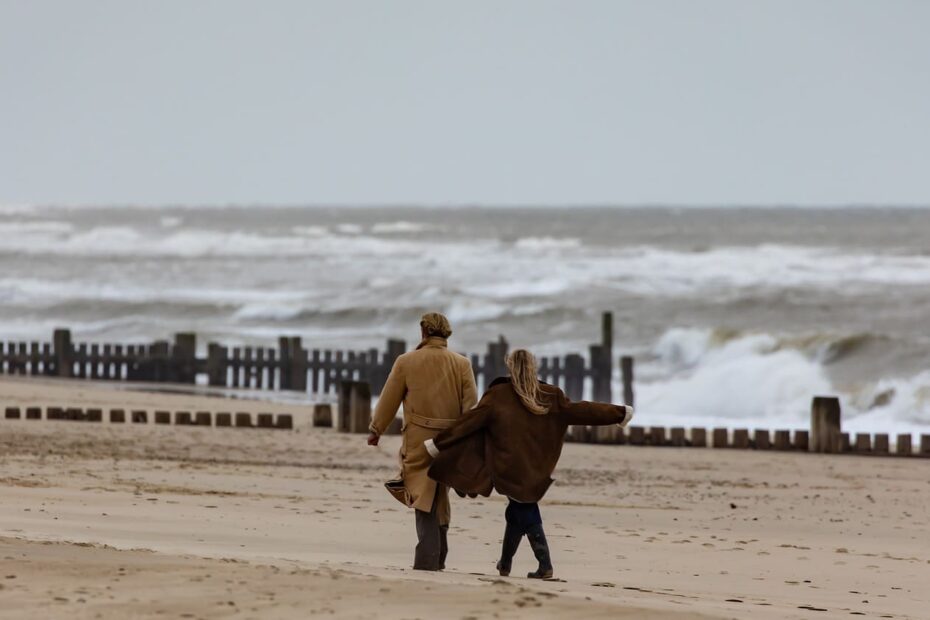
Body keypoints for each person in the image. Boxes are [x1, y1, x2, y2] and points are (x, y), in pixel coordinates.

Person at [424, 349, 633, 579]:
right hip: (536, 469)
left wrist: (438, 443)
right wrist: (619, 413)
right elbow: (585, 411)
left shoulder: (498, 395)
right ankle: (505, 564)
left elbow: (469, 422)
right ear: (534, 366)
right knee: (518, 509)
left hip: (507, 468)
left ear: (510, 366)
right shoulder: (551, 396)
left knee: (523, 510)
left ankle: (544, 565)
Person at [367, 312, 478, 571]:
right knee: (439, 493)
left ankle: (427, 558)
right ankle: (438, 556)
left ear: (423, 332)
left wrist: (376, 429)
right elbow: (470, 409)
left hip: (418, 439)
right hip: (450, 440)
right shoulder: (462, 364)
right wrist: (467, 442)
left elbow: (389, 398)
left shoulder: (406, 361)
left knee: (421, 494)